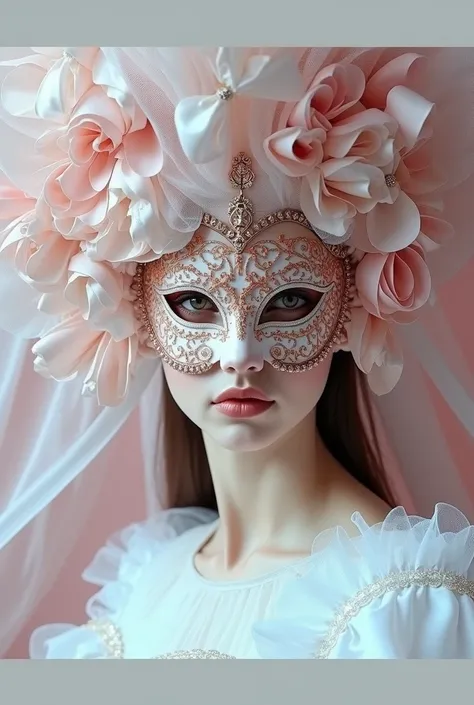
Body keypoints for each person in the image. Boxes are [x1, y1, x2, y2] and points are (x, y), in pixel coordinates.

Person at [0, 47, 473, 659]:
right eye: (194, 303)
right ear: (134, 308)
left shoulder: (401, 606)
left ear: (353, 307)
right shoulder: (142, 583)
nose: (241, 353)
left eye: (289, 301)